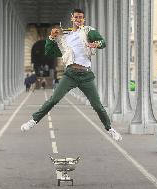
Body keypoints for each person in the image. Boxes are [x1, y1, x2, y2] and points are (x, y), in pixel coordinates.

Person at [21, 9, 122, 141]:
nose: (79, 19)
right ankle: (33, 121)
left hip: (86, 75)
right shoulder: (65, 38)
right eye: (77, 17)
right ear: (72, 18)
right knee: (53, 100)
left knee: (97, 106)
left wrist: (96, 44)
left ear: (83, 20)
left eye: (81, 17)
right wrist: (51, 37)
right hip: (70, 75)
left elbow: (103, 42)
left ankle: (110, 129)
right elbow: (50, 52)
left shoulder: (88, 31)